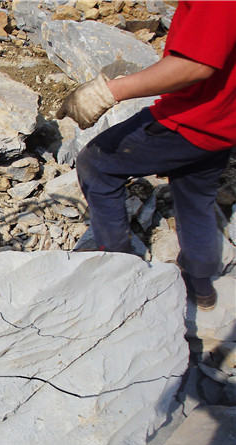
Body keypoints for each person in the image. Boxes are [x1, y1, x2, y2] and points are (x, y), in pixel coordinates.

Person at [57, 0, 235, 310]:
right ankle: (200, 282)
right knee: (196, 194)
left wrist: (109, 92)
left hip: (188, 119)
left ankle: (119, 269)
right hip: (224, 121)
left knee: (96, 165)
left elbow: (196, 65)